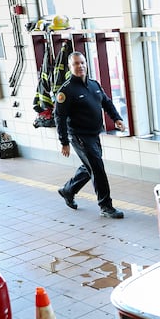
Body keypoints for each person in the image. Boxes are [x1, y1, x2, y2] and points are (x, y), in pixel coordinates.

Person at [55, 51, 125, 219]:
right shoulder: (66, 91)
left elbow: (106, 102)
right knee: (98, 169)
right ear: (70, 67)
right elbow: (60, 117)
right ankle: (105, 206)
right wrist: (64, 141)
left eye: (82, 63)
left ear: (86, 64)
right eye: (76, 64)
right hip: (79, 136)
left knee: (91, 167)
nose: (80, 66)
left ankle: (68, 190)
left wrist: (117, 118)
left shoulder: (94, 85)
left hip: (94, 134)